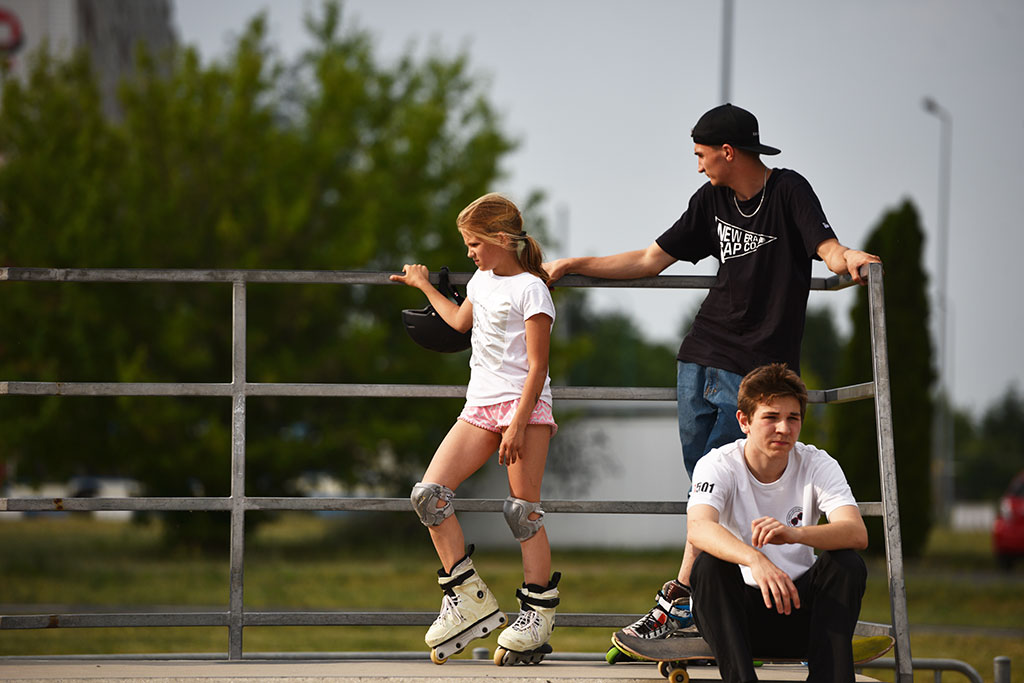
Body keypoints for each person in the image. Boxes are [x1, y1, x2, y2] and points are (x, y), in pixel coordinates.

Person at [543, 103, 881, 642]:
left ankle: (681, 597)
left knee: (724, 477)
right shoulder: (711, 201)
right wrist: (571, 264)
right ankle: (710, 597)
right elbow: (651, 259)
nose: (698, 167)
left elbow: (827, 248)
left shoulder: (789, 190)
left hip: (756, 371)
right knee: (706, 481)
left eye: (701, 156)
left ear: (728, 151)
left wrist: (850, 260)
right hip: (700, 355)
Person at [390, 193, 561, 666]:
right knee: (429, 494)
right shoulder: (482, 281)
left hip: (524, 408)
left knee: (522, 511)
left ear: (501, 239)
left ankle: (537, 614)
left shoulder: (532, 290)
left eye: (473, 243)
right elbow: (459, 322)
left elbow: (538, 366)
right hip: (479, 407)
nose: (469, 253)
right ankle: (467, 597)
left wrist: (518, 424)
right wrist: (425, 286)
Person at [687, 363, 868, 683]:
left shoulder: (817, 463)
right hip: (736, 621)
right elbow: (699, 528)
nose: (783, 428)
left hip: (802, 619)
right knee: (709, 567)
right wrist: (755, 558)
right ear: (744, 421)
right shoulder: (718, 463)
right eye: (771, 417)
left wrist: (795, 534)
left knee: (847, 563)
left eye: (793, 418)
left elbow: (856, 532)